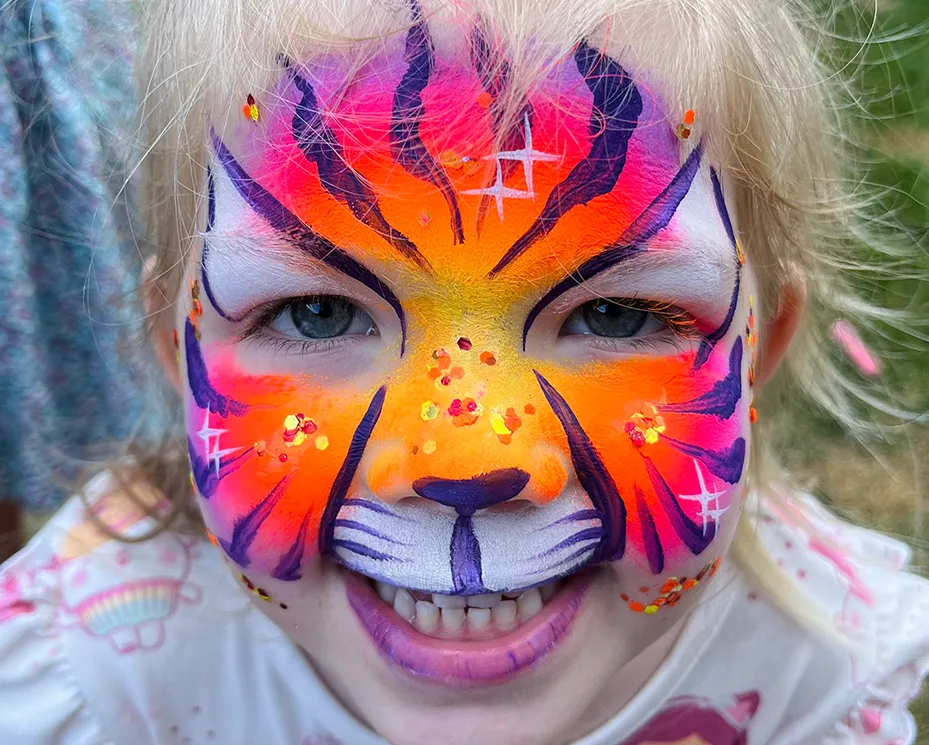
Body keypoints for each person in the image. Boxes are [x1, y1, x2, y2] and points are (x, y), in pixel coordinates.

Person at [1, 0, 927, 743]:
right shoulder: (105, 674)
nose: (467, 459)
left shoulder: (814, 671)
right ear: (178, 349)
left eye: (615, 314)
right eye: (317, 313)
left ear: (757, 350)